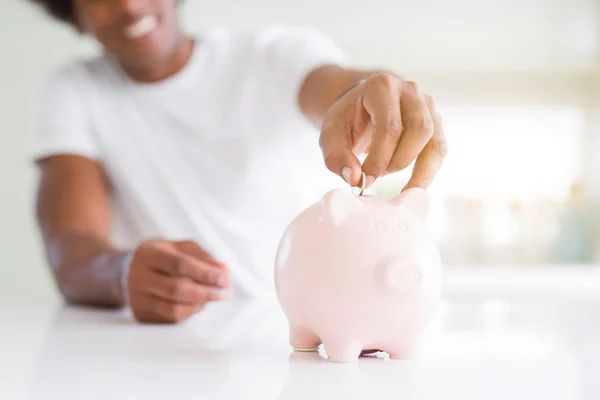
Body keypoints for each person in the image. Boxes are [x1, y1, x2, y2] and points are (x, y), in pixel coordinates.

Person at [27, 0, 448, 324]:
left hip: (302, 330)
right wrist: (120, 273)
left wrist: (362, 96)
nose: (129, 6)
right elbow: (71, 248)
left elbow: (336, 87)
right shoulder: (74, 92)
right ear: (74, 16)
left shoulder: (275, 54)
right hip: (168, 349)